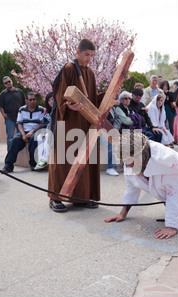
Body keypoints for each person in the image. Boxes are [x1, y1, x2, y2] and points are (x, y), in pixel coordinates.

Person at [48, 39, 105, 212]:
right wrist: (67, 105)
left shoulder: (91, 73)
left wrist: (109, 96)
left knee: (84, 160)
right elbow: (60, 93)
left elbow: (92, 99)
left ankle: (81, 197)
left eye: (92, 56)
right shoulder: (68, 68)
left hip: (85, 123)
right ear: (77, 52)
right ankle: (55, 197)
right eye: (86, 54)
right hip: (67, 122)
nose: (89, 59)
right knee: (63, 159)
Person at [3, 92, 44, 172]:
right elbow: (19, 124)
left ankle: (33, 164)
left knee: (33, 139)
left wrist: (32, 132)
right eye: (30, 100)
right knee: (15, 140)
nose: (32, 101)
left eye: (34, 99)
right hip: (23, 131)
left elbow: (41, 124)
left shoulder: (41, 110)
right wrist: (23, 135)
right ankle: (8, 165)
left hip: (35, 131)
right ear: (26, 101)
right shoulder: (22, 109)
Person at [0, 76, 26, 151]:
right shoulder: (3, 94)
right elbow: (1, 106)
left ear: (12, 81)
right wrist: (4, 114)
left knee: (21, 135)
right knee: (10, 137)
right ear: (4, 85)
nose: (8, 83)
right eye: (6, 83)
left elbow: (24, 104)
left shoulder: (19, 91)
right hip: (9, 118)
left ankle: (19, 154)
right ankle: (10, 156)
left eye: (9, 81)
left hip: (20, 118)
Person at [34, 92, 53, 171]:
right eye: (49, 100)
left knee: (48, 136)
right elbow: (44, 124)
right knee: (39, 137)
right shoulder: (47, 111)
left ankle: (45, 159)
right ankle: (40, 160)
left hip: (55, 131)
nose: (51, 102)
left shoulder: (58, 110)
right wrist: (43, 132)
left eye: (52, 99)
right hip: (48, 130)